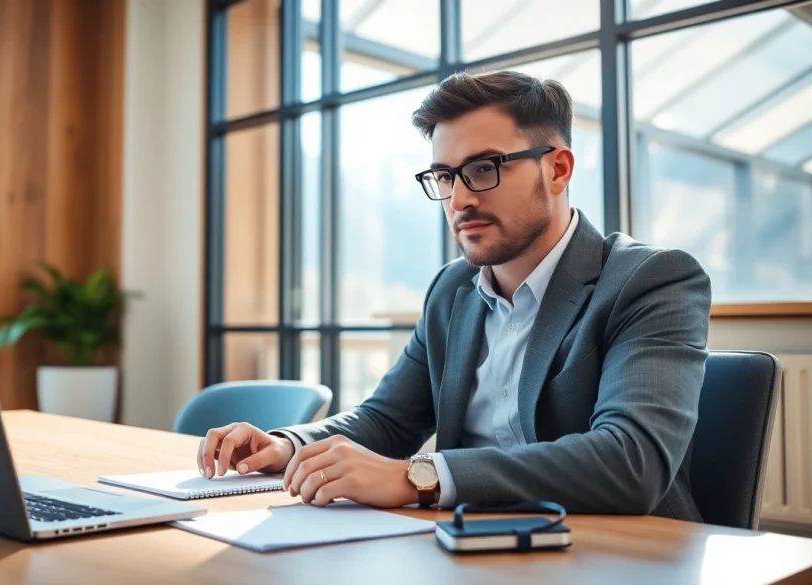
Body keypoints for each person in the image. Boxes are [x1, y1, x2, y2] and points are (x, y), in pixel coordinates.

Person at [196, 70, 711, 520]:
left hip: (621, 556)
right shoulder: (452, 289)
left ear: (558, 169)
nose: (460, 198)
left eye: (484, 169)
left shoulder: (650, 279)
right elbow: (388, 419)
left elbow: (631, 461)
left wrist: (419, 477)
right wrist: (288, 446)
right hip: (470, 547)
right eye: (444, 176)